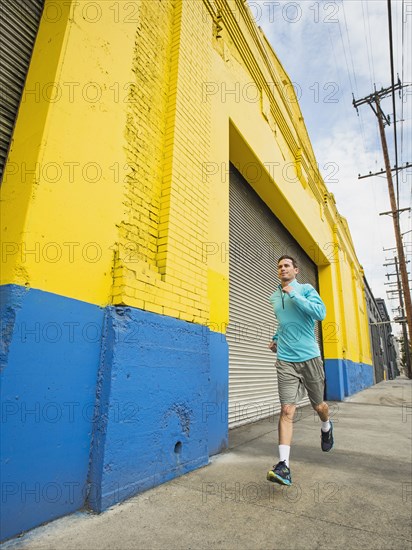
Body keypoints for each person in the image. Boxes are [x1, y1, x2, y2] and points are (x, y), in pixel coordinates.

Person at [266, 255, 334, 486]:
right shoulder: (274, 297)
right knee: (286, 410)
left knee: (319, 406)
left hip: (310, 358)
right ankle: (283, 466)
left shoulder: (305, 289)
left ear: (296, 270)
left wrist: (293, 294)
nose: (282, 269)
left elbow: (320, 313)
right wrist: (276, 338)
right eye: (279, 267)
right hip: (285, 359)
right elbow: (283, 322)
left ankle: (326, 426)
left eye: (286, 266)